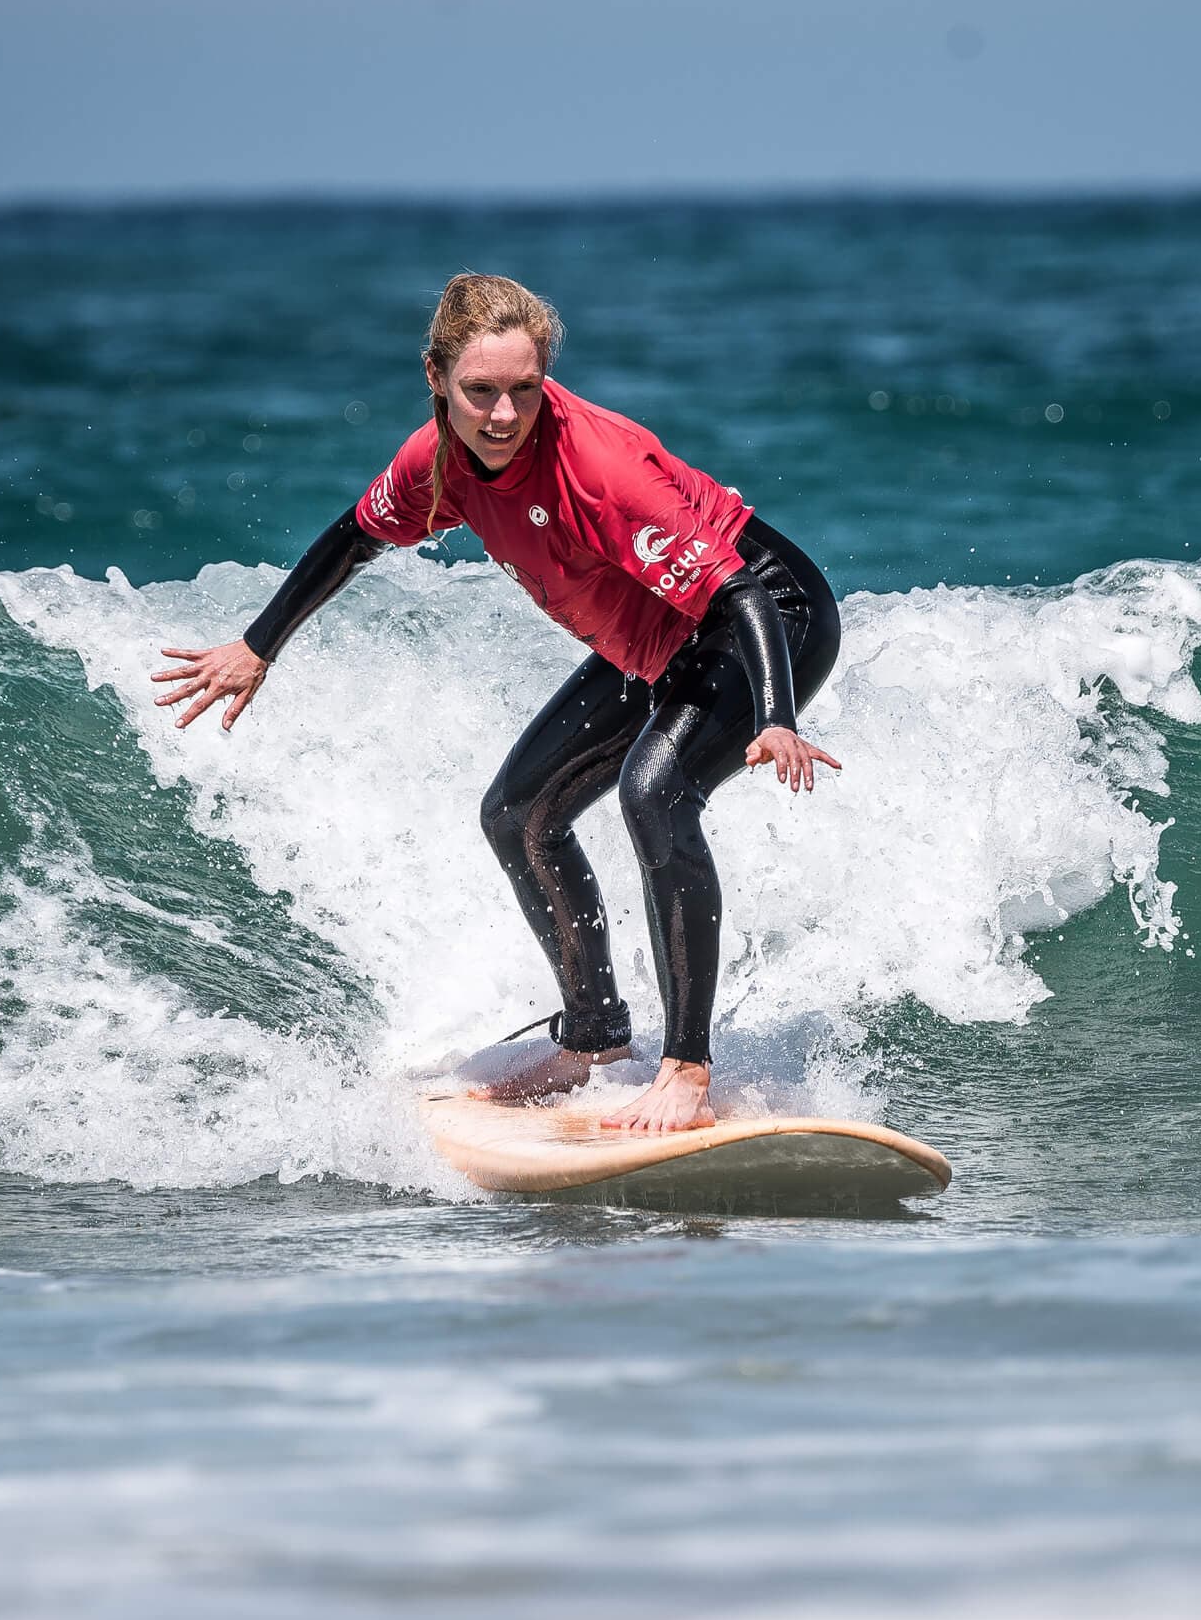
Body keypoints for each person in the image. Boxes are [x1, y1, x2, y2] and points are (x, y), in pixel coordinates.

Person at [153, 274, 842, 1135]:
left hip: (770, 618)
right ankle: (592, 1039)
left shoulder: (601, 469)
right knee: (518, 814)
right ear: (437, 380)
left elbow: (741, 593)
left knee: (654, 796)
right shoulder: (434, 460)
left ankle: (686, 1070)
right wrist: (258, 646)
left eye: (525, 389)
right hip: (654, 630)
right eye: (481, 391)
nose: (505, 415)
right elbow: (353, 537)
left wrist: (776, 714)